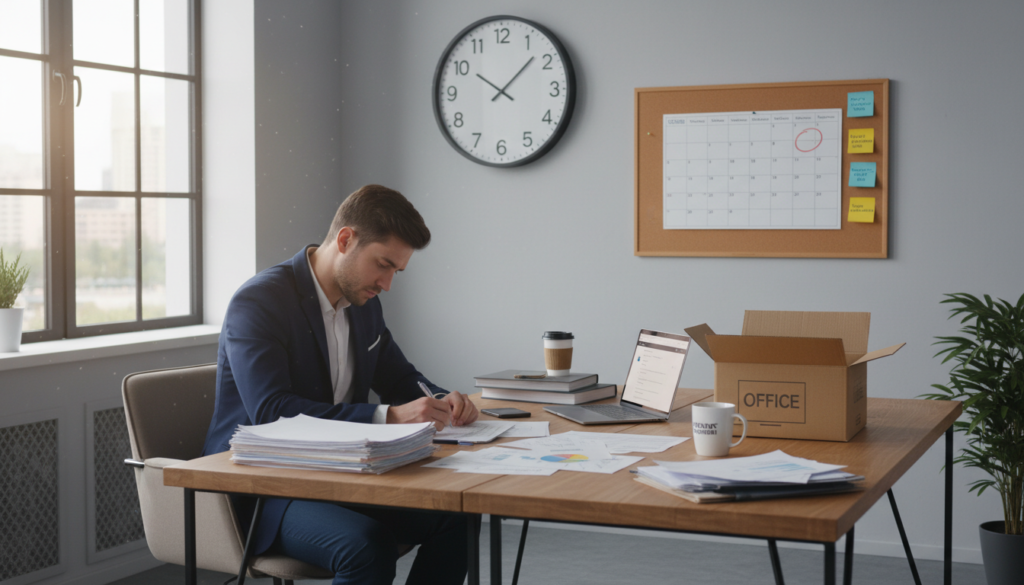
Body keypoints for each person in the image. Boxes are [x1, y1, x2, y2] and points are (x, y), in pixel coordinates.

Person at [202, 184, 479, 585]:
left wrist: (441, 400)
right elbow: (271, 412)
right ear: (346, 239)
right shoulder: (259, 302)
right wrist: (387, 417)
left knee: (457, 517)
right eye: (383, 265)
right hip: (266, 487)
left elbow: (399, 378)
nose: (387, 284)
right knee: (366, 545)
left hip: (342, 474)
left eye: (395, 271)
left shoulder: (364, 305)